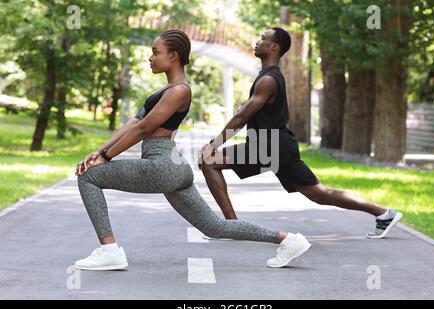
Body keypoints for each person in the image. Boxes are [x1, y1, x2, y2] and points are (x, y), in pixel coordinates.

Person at [73, 30, 311, 271]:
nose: (151, 58)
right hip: (173, 166)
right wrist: (98, 152)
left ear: (173, 56)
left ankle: (109, 251)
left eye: (156, 53)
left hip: (163, 165)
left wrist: (105, 158)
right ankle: (289, 240)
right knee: (215, 228)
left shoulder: (179, 91)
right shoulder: (167, 91)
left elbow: (144, 129)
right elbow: (133, 123)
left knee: (88, 177)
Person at [199, 27, 402, 240]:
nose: (257, 42)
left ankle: (233, 227)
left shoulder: (268, 80)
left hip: (270, 147)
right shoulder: (267, 76)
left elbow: (242, 117)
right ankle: (383, 213)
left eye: (263, 39)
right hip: (278, 146)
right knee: (319, 194)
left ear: (274, 47)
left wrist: (214, 144)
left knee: (209, 160)